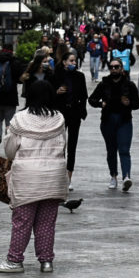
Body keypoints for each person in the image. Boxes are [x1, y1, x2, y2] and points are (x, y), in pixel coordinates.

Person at [0, 80, 69, 274]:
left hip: (27, 178)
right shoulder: (59, 119)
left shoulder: (19, 120)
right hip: (54, 178)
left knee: (22, 222)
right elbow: (63, 146)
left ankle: (15, 260)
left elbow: (10, 151)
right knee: (46, 223)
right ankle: (46, 262)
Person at [88, 58, 139, 191]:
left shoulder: (129, 85)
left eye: (116, 67)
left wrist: (129, 103)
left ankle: (126, 177)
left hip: (124, 120)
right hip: (108, 121)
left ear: (121, 68)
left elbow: (138, 104)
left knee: (124, 150)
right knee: (111, 150)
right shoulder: (104, 84)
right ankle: (113, 176)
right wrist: (101, 104)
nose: (114, 69)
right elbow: (91, 99)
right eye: (111, 67)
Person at [52, 52, 88, 191]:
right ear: (64, 62)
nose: (74, 63)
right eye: (71, 61)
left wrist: (81, 111)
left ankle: (68, 177)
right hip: (60, 113)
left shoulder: (80, 76)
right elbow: (49, 94)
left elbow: (84, 95)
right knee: (59, 145)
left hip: (74, 113)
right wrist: (57, 92)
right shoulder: (56, 76)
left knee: (72, 145)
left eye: (75, 61)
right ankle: (58, 176)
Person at [0, 45, 24, 152]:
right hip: (10, 97)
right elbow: (20, 79)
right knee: (9, 121)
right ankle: (8, 140)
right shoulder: (14, 62)